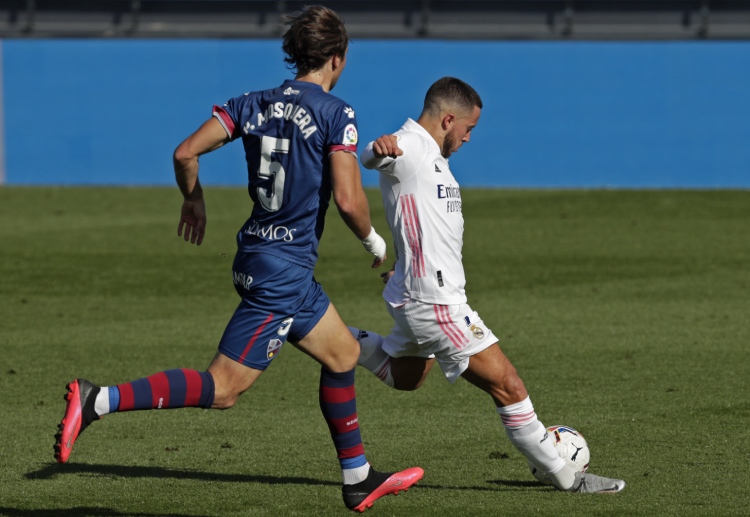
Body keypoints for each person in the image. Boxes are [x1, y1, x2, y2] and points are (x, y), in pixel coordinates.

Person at [53, 6, 423, 512]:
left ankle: (358, 478)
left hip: (260, 254)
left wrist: (193, 198)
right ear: (337, 59)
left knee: (342, 354)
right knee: (223, 389)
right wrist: (374, 242)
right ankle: (98, 400)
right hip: (283, 272)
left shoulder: (251, 102)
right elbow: (349, 200)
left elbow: (185, 153)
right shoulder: (337, 113)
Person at [350, 76, 626, 494]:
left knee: (406, 376)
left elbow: (424, 227)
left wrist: (407, 270)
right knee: (508, 385)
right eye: (468, 129)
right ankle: (568, 478)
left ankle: (328, 335)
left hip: (420, 291)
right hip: (436, 301)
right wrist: (376, 149)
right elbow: (372, 155)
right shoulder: (410, 145)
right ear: (447, 119)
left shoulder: (434, 159)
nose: (468, 138)